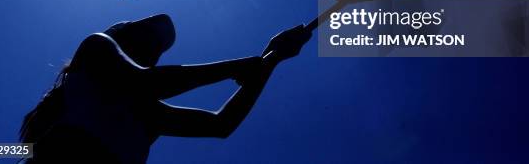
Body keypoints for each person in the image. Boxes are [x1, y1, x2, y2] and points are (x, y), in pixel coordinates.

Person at [19, 14, 312, 163]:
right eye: (143, 34)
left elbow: (220, 124)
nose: (152, 50)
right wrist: (238, 67)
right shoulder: (95, 48)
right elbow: (146, 81)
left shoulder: (146, 112)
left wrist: (273, 57)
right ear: (117, 36)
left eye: (156, 49)